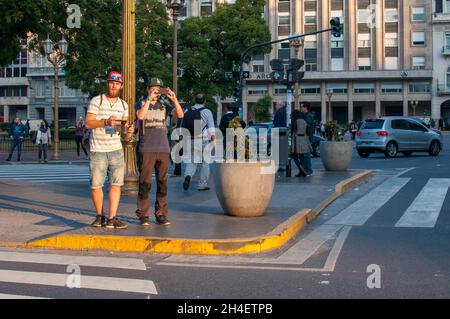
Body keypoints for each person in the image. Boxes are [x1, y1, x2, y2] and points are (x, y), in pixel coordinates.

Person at [85, 70, 133, 229]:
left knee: (116, 184)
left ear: (121, 86)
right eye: (111, 82)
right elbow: (88, 123)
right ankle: (100, 216)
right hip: (98, 148)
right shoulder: (96, 101)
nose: (113, 86)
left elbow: (122, 128)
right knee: (96, 184)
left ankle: (112, 218)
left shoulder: (123, 105)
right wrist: (106, 122)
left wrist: (128, 130)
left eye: (117, 83)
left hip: (116, 149)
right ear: (107, 83)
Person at [135, 78, 184, 226]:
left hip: (163, 148)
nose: (156, 92)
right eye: (153, 89)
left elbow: (180, 115)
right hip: (146, 148)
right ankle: (143, 214)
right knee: (145, 183)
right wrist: (149, 99)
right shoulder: (141, 103)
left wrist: (174, 99)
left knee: (162, 183)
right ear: (148, 89)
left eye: (159, 89)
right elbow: (140, 116)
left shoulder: (165, 105)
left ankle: (161, 213)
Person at [182, 94, 216, 192]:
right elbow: (211, 129)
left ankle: (188, 175)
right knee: (205, 163)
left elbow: (183, 125)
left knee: (192, 161)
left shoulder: (188, 110)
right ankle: (202, 185)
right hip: (203, 140)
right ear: (204, 101)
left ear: (195, 100)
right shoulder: (207, 111)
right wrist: (213, 141)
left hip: (190, 139)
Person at [291, 111, 311, 177]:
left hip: (297, 140)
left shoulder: (295, 121)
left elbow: (293, 132)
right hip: (304, 140)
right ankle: (301, 171)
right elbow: (308, 131)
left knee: (294, 156)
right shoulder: (304, 121)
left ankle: (301, 169)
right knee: (302, 157)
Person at [299, 103, 314, 176]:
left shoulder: (308, 116)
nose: (300, 108)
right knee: (303, 155)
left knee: (306, 155)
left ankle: (308, 170)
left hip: (306, 138)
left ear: (305, 108)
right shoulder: (305, 116)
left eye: (301, 107)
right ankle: (304, 170)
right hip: (304, 138)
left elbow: (307, 127)